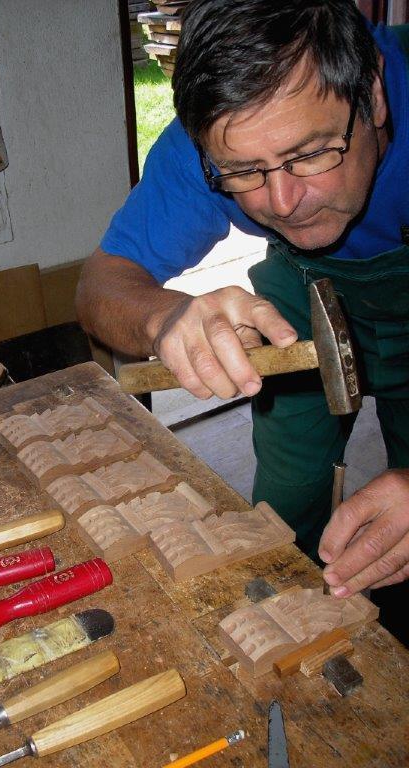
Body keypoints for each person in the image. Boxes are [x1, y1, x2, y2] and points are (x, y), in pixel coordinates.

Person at [75, 0, 409, 611]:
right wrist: (163, 317)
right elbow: (102, 283)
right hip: (303, 300)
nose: (281, 202)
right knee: (285, 504)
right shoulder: (206, 144)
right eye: (244, 172)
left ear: (374, 95)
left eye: (310, 154)